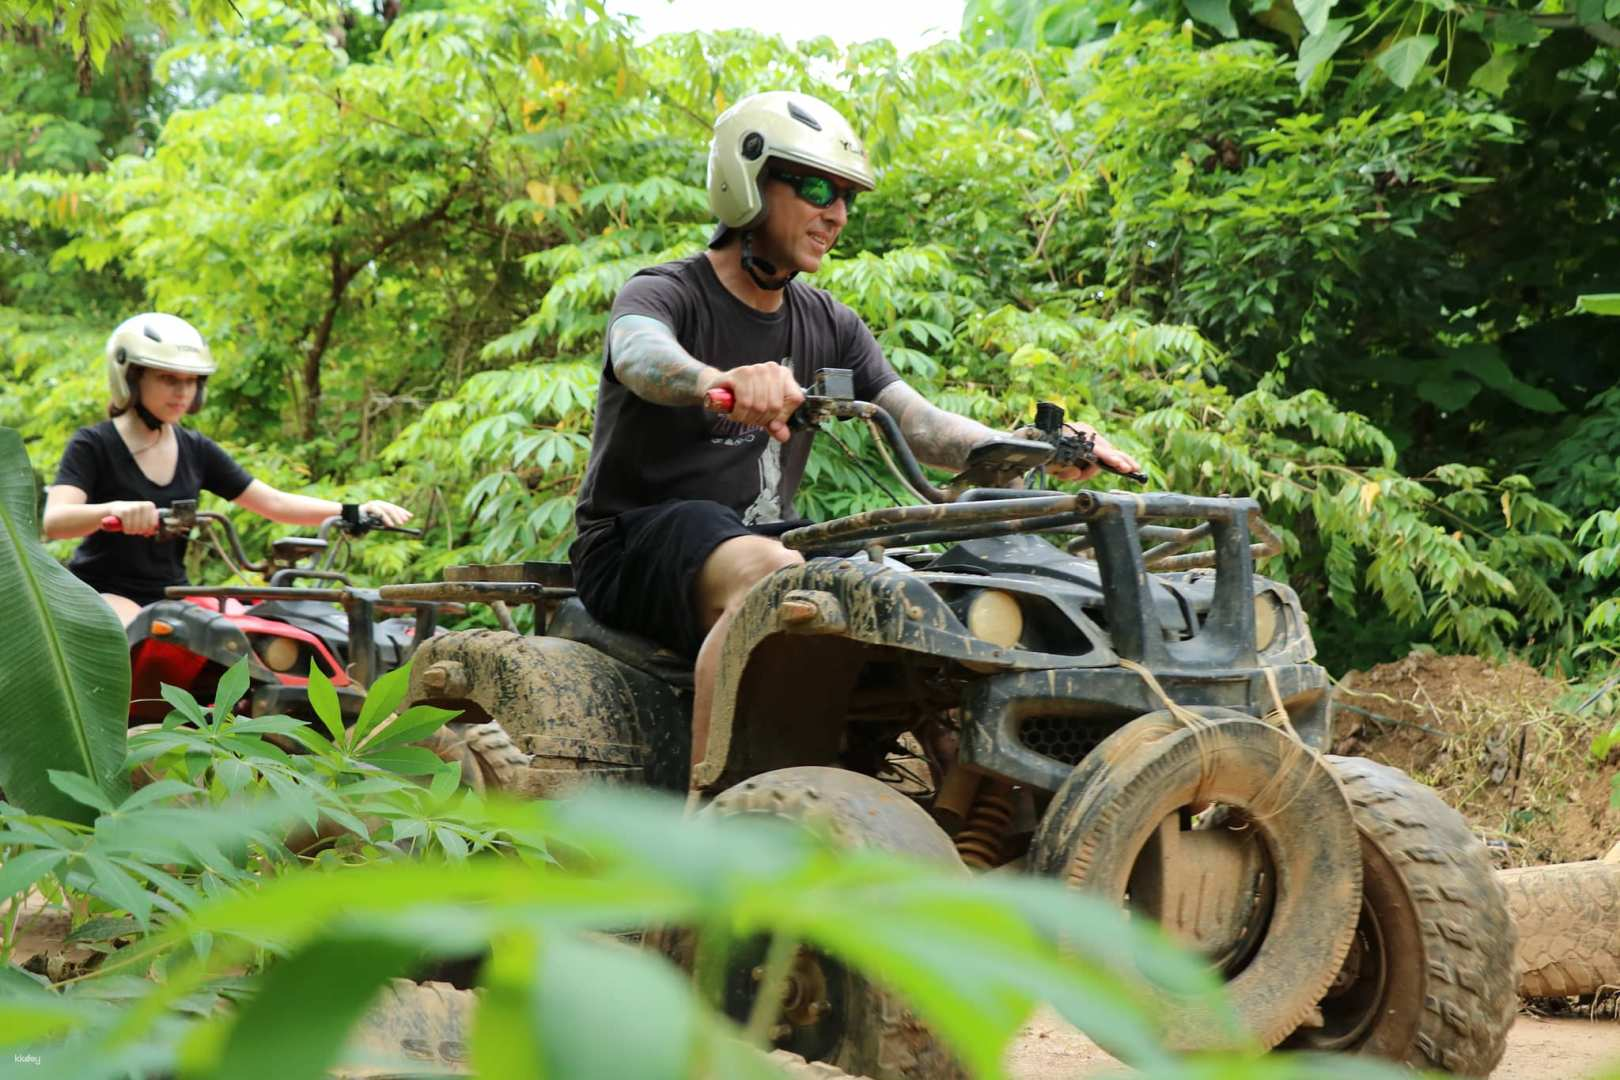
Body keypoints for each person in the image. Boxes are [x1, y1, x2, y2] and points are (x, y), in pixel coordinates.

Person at [570, 91, 1142, 769]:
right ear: (746, 182)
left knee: (925, 594)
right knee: (779, 581)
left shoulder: (830, 323)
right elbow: (639, 355)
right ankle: (718, 809)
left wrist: (1043, 448)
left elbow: (920, 424)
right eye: (816, 187)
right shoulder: (667, 291)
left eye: (847, 197)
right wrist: (715, 382)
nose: (835, 213)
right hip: (637, 542)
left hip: (765, 537)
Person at [42, 312, 412, 625]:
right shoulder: (93, 444)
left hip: (173, 593)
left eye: (191, 381)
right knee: (127, 635)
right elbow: (54, 521)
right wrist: (114, 510)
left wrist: (353, 510)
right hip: (104, 593)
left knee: (248, 636)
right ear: (131, 378)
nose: (183, 392)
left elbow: (274, 504)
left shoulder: (196, 448)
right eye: (169, 379)